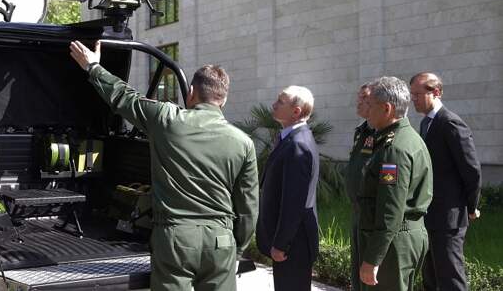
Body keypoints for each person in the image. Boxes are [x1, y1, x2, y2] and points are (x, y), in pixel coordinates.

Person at [69, 40, 259, 291]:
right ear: (223, 99)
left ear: (191, 92)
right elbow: (248, 207)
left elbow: (124, 98)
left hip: (176, 239)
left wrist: (93, 67)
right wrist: (238, 248)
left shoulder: (167, 119)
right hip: (221, 241)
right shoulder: (243, 143)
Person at [358, 76, 432, 291]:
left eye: (371, 106)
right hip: (400, 237)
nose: (367, 110)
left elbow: (390, 210)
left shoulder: (395, 149)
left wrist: (373, 258)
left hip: (393, 243)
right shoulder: (406, 138)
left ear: (387, 108)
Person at [409, 72, 482, 291]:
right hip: (429, 214)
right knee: (430, 276)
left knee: (450, 277)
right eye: (412, 94)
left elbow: (471, 170)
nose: (413, 99)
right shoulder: (425, 124)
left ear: (437, 92)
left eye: (418, 94)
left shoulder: (450, 123)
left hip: (449, 217)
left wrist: (471, 206)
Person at [256, 85, 319, 291]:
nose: (274, 104)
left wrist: (281, 243)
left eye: (280, 101)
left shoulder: (297, 144)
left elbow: (294, 202)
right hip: (291, 239)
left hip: (294, 242)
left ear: (296, 111)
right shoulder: (289, 138)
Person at [346, 84, 375, 291]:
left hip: (373, 213)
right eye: (359, 97)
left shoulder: (383, 135)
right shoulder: (362, 131)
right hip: (357, 210)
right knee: (357, 270)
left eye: (364, 98)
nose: (359, 101)